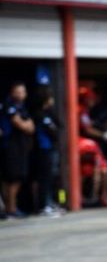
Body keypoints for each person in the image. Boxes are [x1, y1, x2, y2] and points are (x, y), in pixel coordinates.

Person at [0, 82, 35, 218]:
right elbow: (18, 123)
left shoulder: (22, 107)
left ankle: (10, 208)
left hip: (21, 147)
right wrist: (25, 125)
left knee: (18, 177)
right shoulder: (8, 105)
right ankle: (11, 209)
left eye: (23, 92)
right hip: (10, 147)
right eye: (18, 92)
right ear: (12, 92)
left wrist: (26, 125)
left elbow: (31, 127)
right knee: (12, 178)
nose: (20, 94)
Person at [31, 87, 62, 216]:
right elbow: (50, 130)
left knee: (52, 177)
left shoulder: (50, 112)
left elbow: (59, 126)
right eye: (50, 98)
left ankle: (51, 202)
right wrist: (52, 128)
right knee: (44, 178)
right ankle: (43, 205)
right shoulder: (38, 114)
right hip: (42, 149)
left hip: (51, 148)